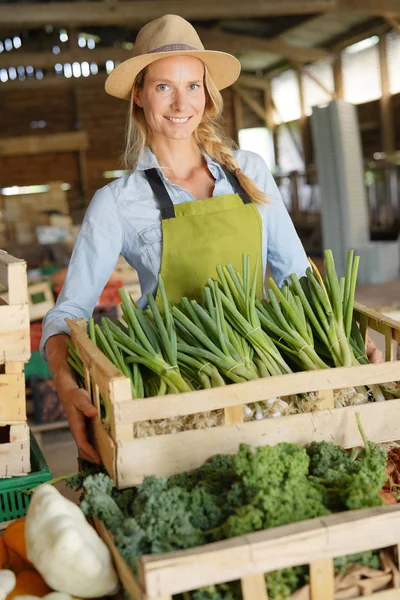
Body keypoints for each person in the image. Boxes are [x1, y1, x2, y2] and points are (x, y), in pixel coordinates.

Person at [41, 14, 382, 464]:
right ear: (139, 96)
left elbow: (297, 273)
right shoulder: (117, 202)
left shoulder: (249, 170)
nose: (180, 102)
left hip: (266, 366)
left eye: (192, 86)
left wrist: (347, 336)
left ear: (207, 93)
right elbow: (68, 313)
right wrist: (66, 383)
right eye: (163, 86)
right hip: (180, 389)